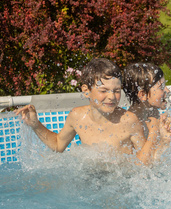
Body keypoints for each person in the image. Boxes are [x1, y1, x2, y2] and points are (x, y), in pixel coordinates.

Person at [15, 58, 159, 165]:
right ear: (86, 91)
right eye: (104, 91)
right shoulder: (77, 116)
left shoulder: (128, 121)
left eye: (116, 91)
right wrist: (35, 125)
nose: (112, 97)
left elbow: (144, 163)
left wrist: (154, 134)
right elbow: (58, 145)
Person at [122, 62, 171, 161]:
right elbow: (141, 166)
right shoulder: (131, 122)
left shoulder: (153, 112)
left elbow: (155, 157)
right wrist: (154, 132)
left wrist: (166, 139)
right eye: (161, 87)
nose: (167, 91)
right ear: (143, 95)